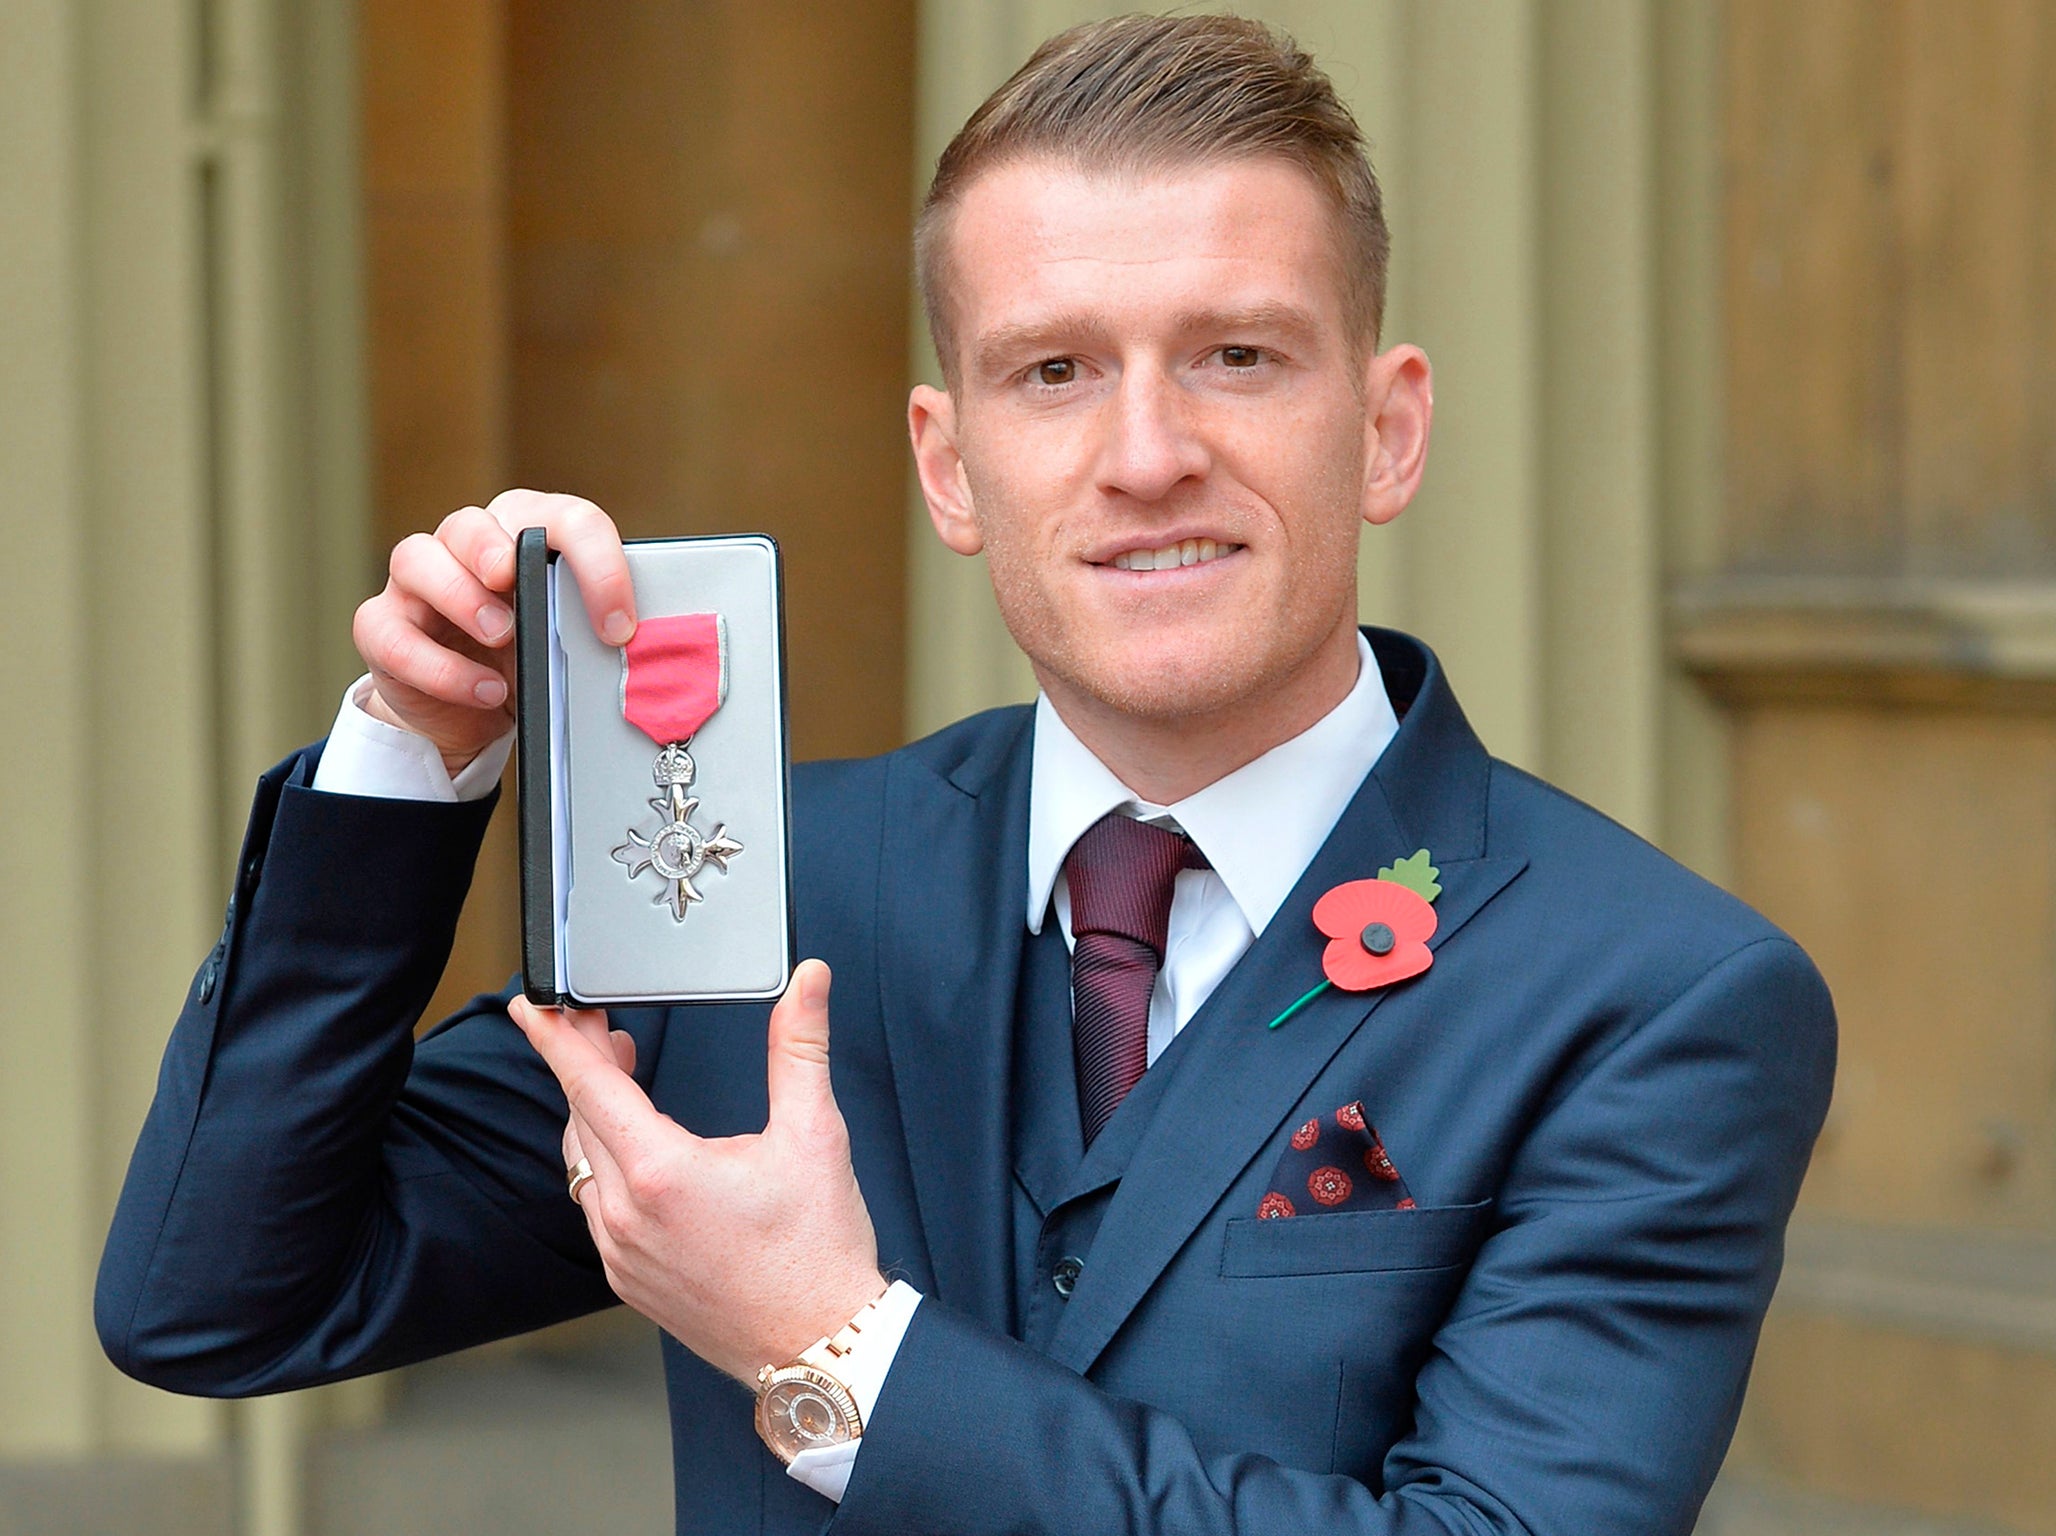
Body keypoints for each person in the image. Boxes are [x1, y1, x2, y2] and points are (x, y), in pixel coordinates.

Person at [98, 15, 1834, 1535]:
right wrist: (409, 761)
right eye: (1054, 371)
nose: (1149, 454)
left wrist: (836, 1355)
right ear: (950, 462)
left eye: (1237, 354)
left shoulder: (1657, 997)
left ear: (1384, 428)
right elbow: (222, 1298)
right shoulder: (763, 890)